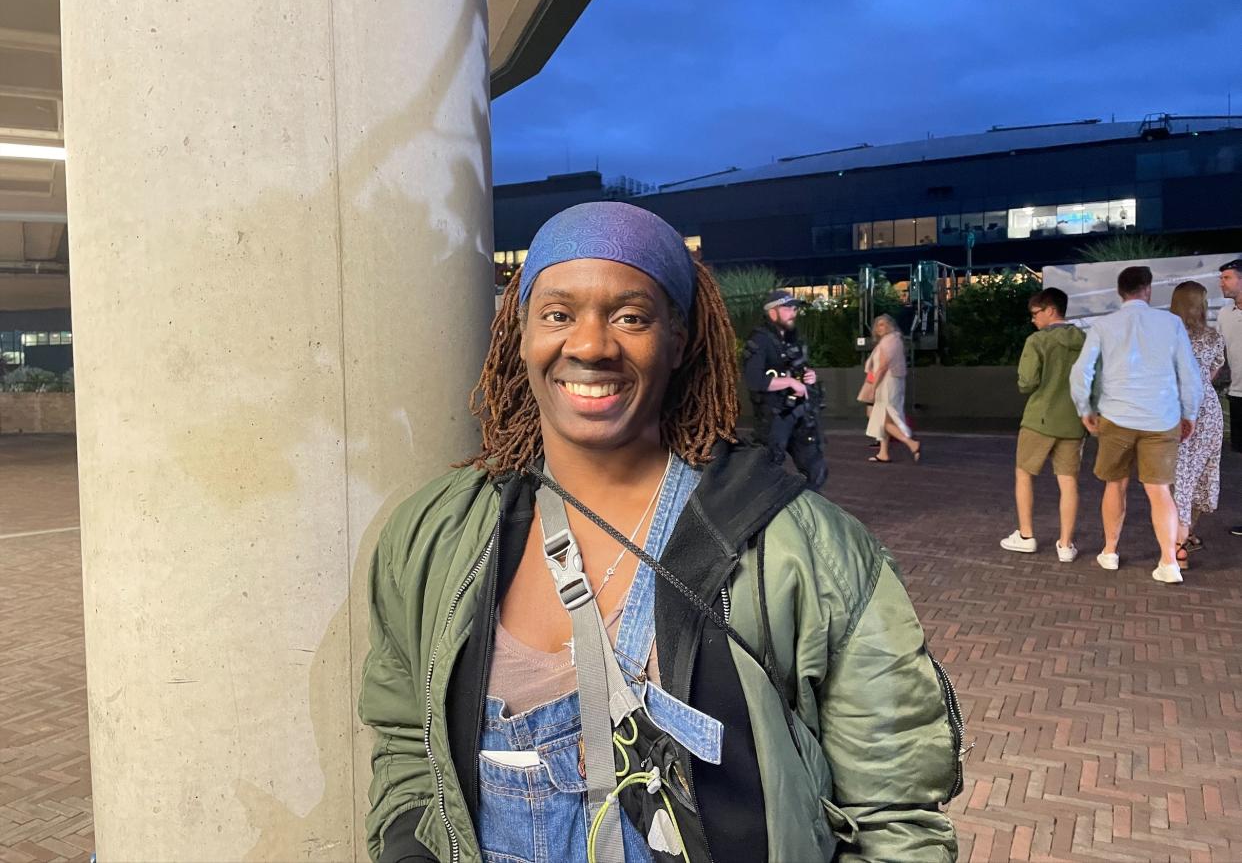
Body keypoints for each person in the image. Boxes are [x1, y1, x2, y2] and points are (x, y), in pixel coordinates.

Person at [358, 201, 962, 863]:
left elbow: (895, 818)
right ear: (519, 336)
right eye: (558, 314)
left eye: (630, 317)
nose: (590, 346)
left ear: (678, 339)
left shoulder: (806, 552)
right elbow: (406, 739)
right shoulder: (434, 534)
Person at [1069, 265, 1203, 584]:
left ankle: (1110, 551)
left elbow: (1081, 372)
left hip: (1116, 417)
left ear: (1120, 292)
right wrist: (1190, 413)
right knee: (1160, 490)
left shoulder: (1104, 324)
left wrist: (1084, 407)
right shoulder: (1170, 323)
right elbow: (1189, 373)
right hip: (1162, 417)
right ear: (1148, 289)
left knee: (1115, 484)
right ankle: (1168, 562)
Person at [1000, 287, 1086, 561]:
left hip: (1039, 418)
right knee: (1069, 482)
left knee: (1024, 474)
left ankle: (1026, 535)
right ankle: (1065, 544)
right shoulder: (1085, 339)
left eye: (1036, 313)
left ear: (1050, 310)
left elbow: (1027, 383)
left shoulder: (1037, 341)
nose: (1034, 319)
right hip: (1073, 421)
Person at [741, 290, 827, 490]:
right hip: (774, 417)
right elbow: (754, 380)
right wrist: (789, 382)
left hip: (798, 413)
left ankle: (810, 513)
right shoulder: (759, 340)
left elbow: (797, 369)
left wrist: (807, 377)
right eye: (787, 308)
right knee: (767, 470)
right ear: (772, 312)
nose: (793, 312)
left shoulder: (791, 338)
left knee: (816, 469)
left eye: (795, 308)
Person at [1170, 281, 1225, 567]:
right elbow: (1213, 372)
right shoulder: (1213, 337)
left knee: (1178, 477)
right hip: (1208, 411)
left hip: (1176, 410)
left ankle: (1176, 546)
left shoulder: (1168, 335)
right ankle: (1186, 535)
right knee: (1201, 476)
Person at [863, 313, 921, 463]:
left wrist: (873, 388)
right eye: (877, 325)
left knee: (884, 419)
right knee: (885, 417)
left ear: (890, 325)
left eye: (882, 324)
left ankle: (911, 443)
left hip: (887, 383)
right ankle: (883, 453)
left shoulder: (888, 342)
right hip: (893, 382)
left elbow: (882, 367)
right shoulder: (895, 340)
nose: (879, 328)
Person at [1214, 258, 1242, 536]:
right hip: (1237, 394)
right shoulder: (1224, 314)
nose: (1221, 283)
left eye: (1227, 278)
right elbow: (1218, 357)